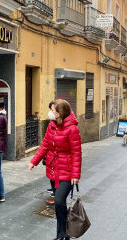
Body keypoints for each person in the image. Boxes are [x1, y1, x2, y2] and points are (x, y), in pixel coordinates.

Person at [28, 99, 82, 240]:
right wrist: (34, 161)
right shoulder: (52, 126)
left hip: (67, 172)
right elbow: (45, 145)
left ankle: (64, 234)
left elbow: (76, 153)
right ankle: (61, 235)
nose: (50, 112)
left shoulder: (72, 129)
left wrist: (75, 174)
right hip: (53, 169)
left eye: (53, 110)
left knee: (58, 201)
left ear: (60, 113)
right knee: (59, 205)